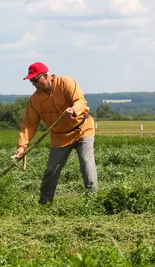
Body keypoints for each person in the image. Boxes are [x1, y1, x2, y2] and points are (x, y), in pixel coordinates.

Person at [12, 62, 98, 204]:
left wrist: (73, 110)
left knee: (86, 163)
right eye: (31, 81)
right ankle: (44, 203)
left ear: (46, 76)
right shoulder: (35, 99)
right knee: (51, 170)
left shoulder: (65, 83)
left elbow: (80, 101)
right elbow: (29, 124)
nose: (33, 83)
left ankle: (93, 200)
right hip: (59, 136)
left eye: (35, 79)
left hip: (82, 129)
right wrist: (22, 146)